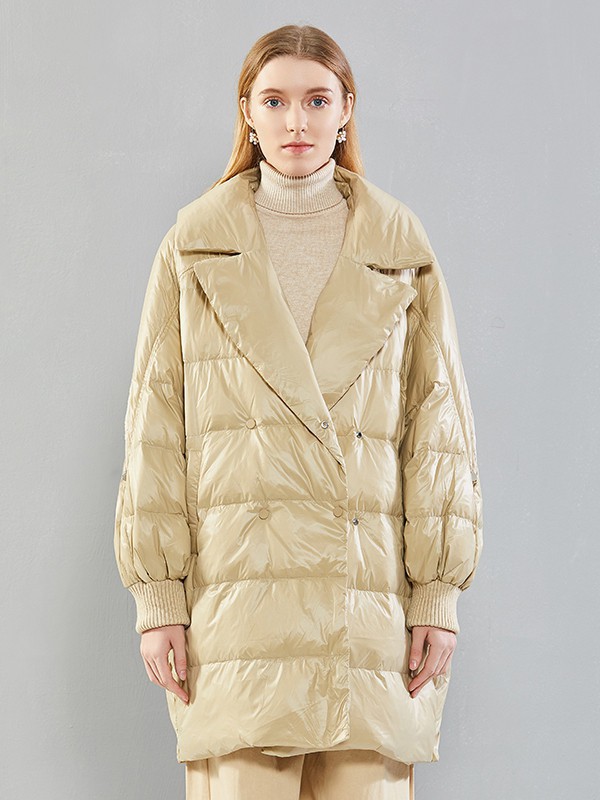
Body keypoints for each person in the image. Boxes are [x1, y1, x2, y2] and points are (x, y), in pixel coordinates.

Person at [113, 23, 483, 800]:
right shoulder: (194, 244)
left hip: (367, 608)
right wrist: (158, 597)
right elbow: (156, 429)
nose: (296, 122)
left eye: (316, 100)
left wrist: (438, 593)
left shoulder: (399, 245)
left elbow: (438, 430)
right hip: (236, 603)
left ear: (346, 110)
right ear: (246, 112)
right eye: (275, 100)